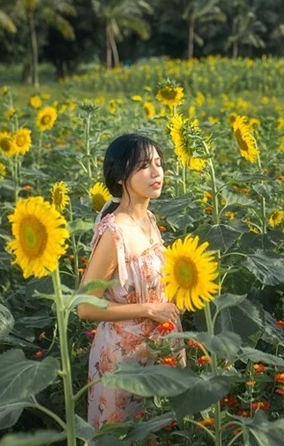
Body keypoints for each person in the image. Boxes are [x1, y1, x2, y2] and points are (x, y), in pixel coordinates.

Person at [77, 133, 182, 430]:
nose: (156, 172)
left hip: (160, 349)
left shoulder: (148, 218)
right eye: (144, 166)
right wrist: (148, 310)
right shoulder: (115, 233)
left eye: (159, 164)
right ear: (122, 176)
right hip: (123, 362)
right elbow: (85, 307)